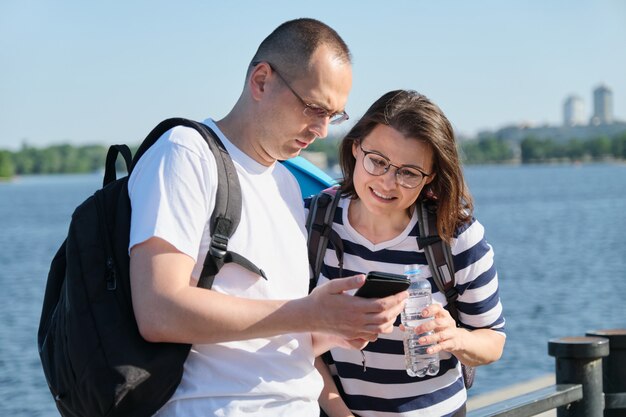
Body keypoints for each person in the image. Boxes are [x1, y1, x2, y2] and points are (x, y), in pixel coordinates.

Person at [127, 19, 408, 417]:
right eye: (315, 108)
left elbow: (276, 335)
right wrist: (310, 311)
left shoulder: (287, 185)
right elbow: (158, 310)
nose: (323, 130)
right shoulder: (186, 153)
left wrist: (336, 326)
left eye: (334, 115)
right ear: (261, 81)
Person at [310, 90, 506, 417]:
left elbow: (493, 342)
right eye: (378, 161)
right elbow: (292, 340)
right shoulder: (312, 223)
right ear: (355, 148)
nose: (388, 183)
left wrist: (454, 337)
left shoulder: (456, 236)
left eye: (409, 172)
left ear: (429, 177)